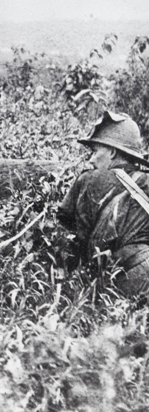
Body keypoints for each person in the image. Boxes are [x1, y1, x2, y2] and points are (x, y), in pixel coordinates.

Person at [57, 111, 149, 297]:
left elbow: (74, 236)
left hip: (126, 276)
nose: (90, 159)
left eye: (95, 152)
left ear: (113, 151)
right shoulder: (147, 180)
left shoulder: (89, 179)